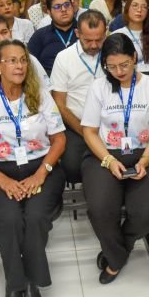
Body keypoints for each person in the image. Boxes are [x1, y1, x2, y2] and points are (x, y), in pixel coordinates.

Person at [0, 39, 66, 297]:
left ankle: (31, 280)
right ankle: (15, 281)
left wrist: (41, 174)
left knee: (34, 217)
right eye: (12, 60)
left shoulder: (41, 96)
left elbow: (58, 140)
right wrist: (2, 180)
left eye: (23, 59)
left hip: (41, 167)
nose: (20, 65)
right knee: (9, 218)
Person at [80, 34, 149, 284]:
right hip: (104, 153)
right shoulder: (99, 87)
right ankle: (117, 258)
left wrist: (146, 161)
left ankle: (119, 247)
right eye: (111, 67)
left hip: (146, 152)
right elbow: (89, 131)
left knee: (147, 210)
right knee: (100, 208)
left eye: (124, 65)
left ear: (134, 58)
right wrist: (108, 160)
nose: (119, 72)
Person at [50, 10, 107, 183]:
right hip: (76, 125)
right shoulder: (64, 58)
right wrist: (85, 132)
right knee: (72, 167)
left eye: (99, 39)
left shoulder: (113, 53)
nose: (94, 46)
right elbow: (59, 103)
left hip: (111, 123)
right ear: (77, 33)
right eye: (88, 40)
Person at [27, 0, 78, 75]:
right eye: (57, 7)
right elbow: (30, 65)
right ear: (49, 12)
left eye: (67, 5)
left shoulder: (84, 32)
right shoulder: (39, 35)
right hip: (50, 84)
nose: (63, 9)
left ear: (72, 7)